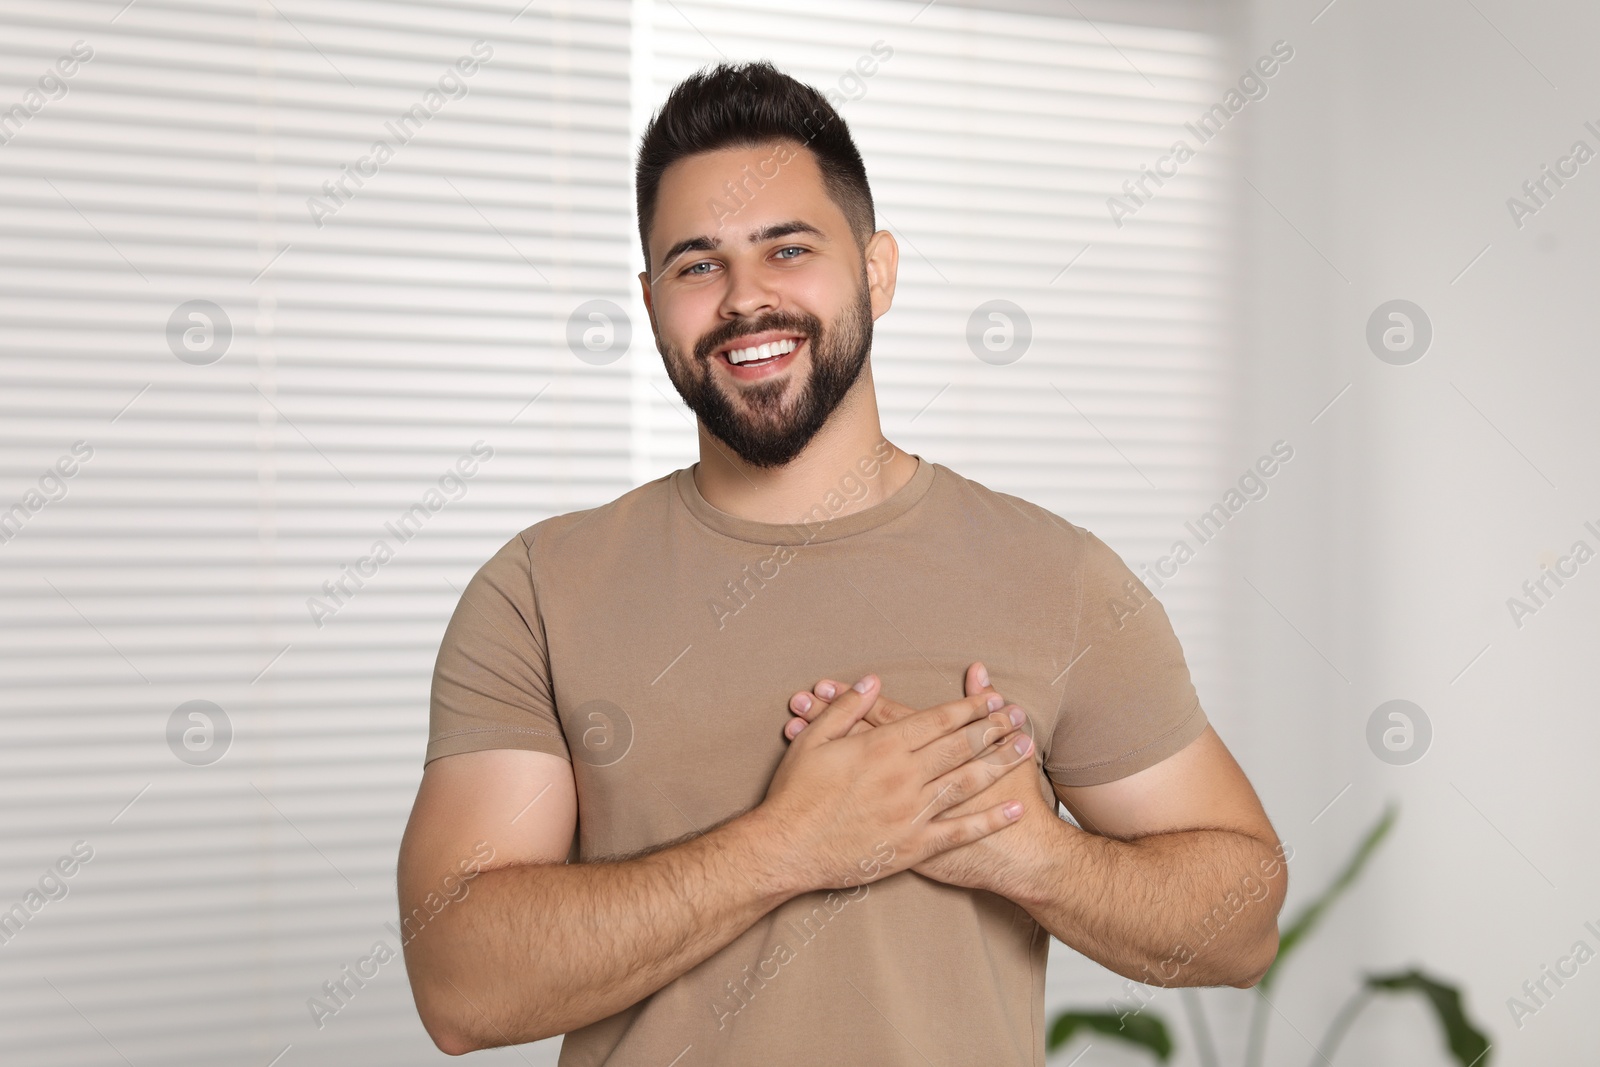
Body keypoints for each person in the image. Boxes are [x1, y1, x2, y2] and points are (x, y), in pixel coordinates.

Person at [398, 60, 1285, 1065]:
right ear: (650, 303)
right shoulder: (539, 589)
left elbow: (1243, 918)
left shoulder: (1057, 576)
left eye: (787, 249)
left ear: (876, 270)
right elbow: (458, 982)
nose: (744, 299)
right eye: (697, 265)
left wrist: (1030, 854)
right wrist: (790, 843)